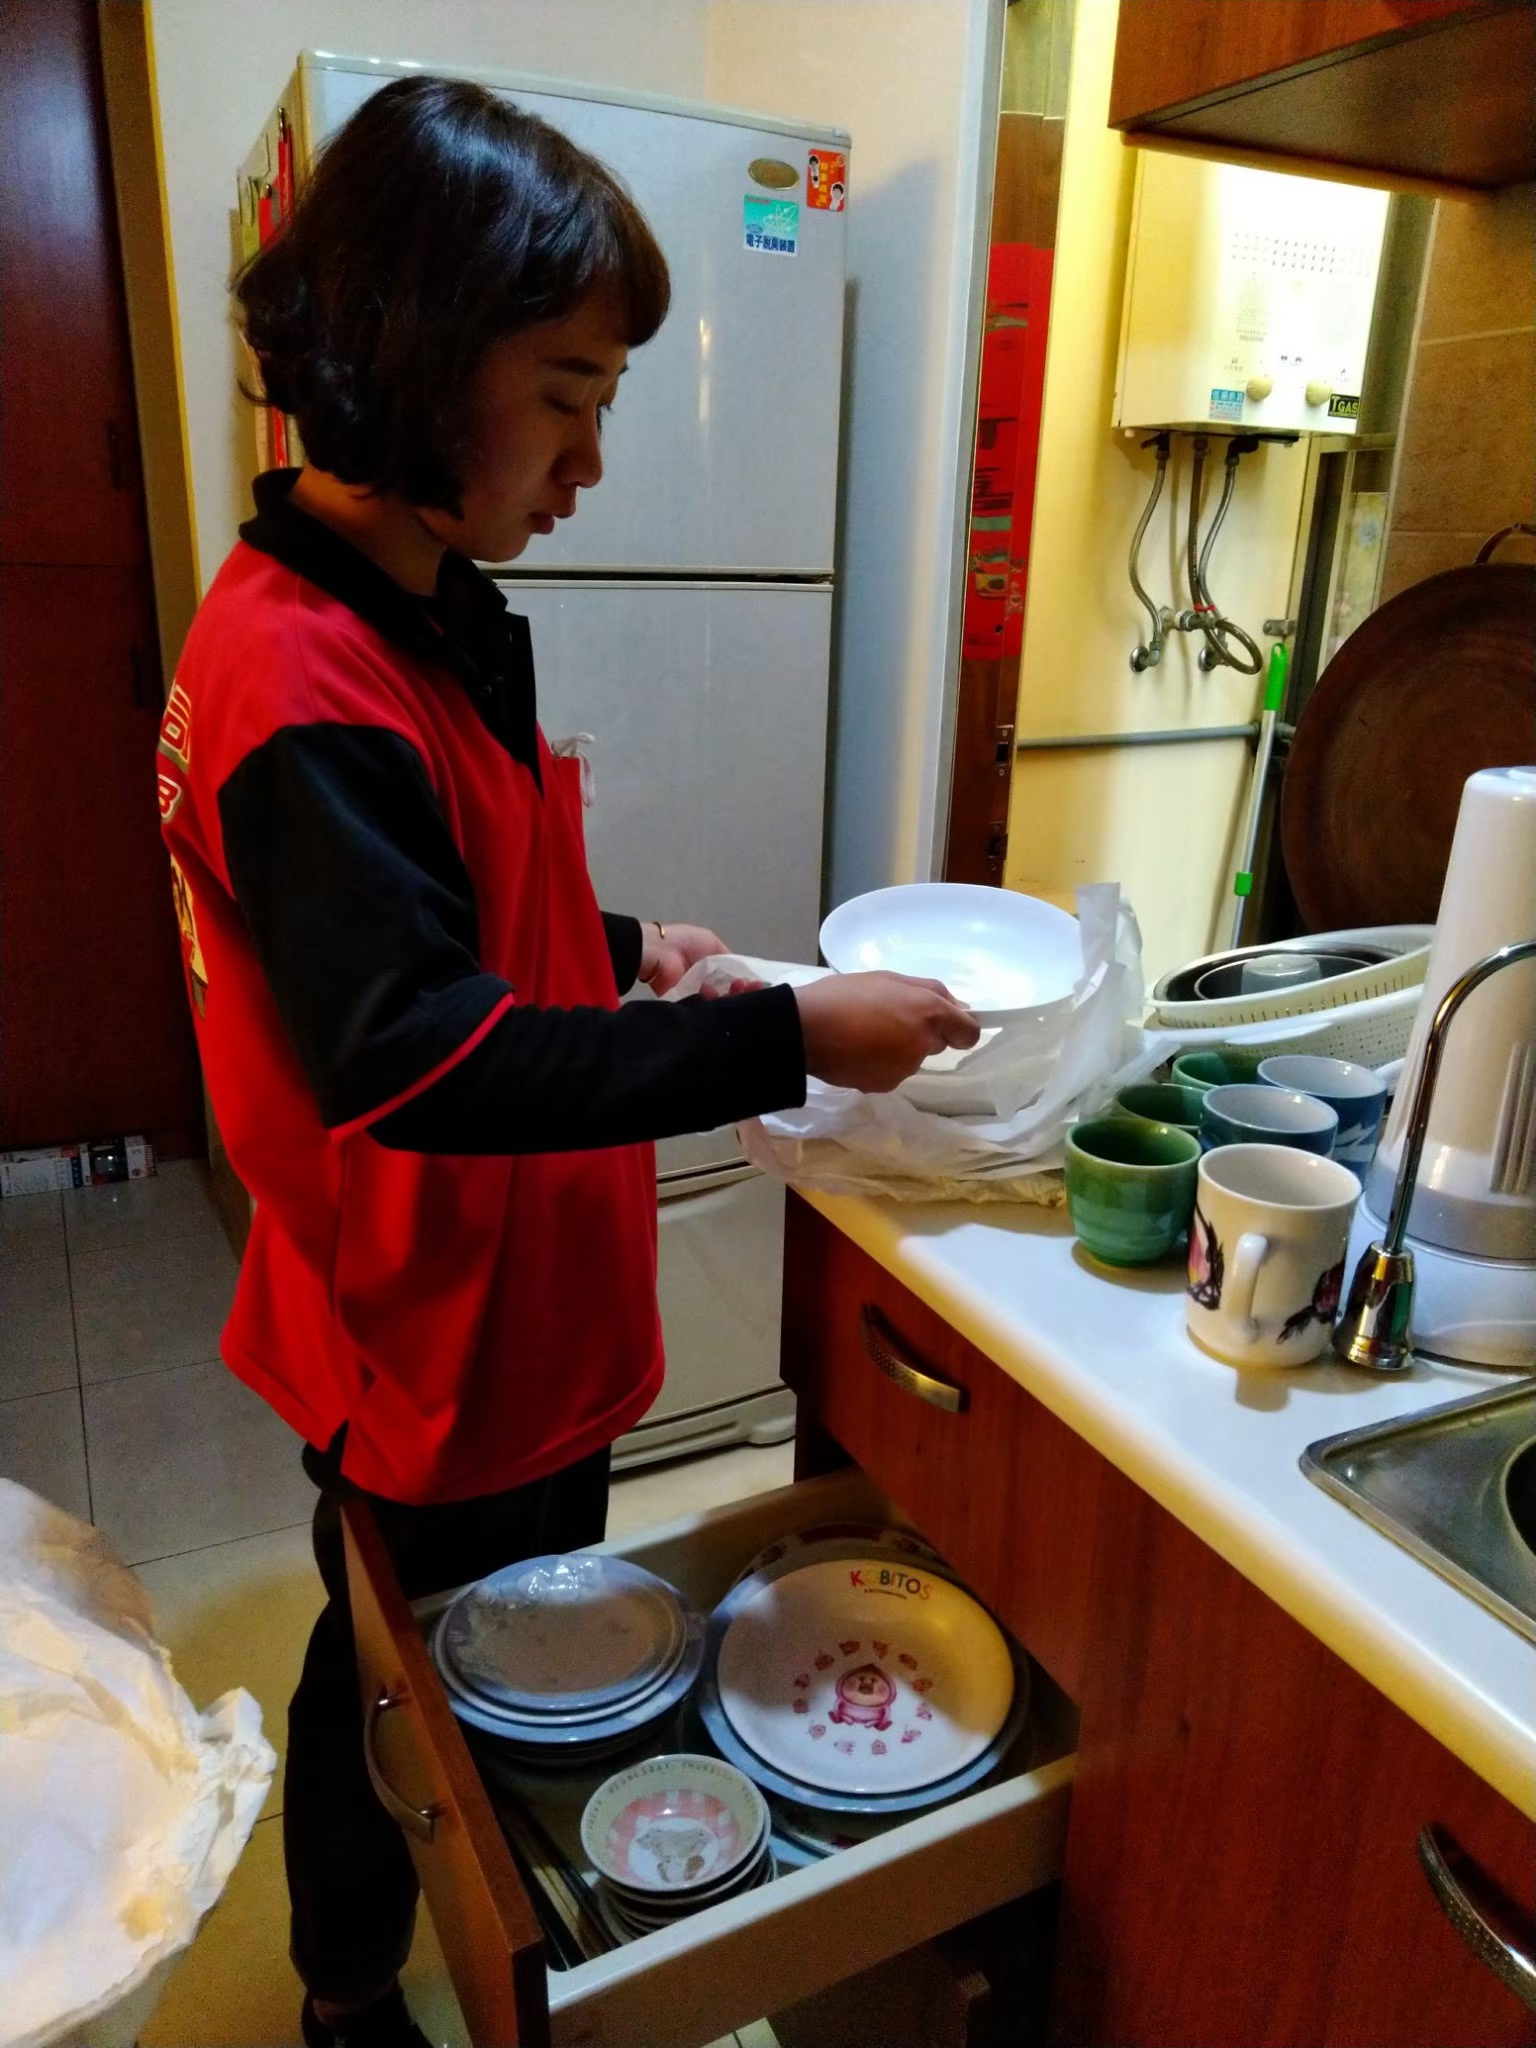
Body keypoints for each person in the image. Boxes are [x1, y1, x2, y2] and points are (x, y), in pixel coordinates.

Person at [159, 76, 977, 2047]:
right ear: (414, 359)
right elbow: (413, 1055)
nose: (595, 459)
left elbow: (434, 905)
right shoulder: (297, 677)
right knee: (400, 1682)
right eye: (568, 395)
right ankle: (349, 1988)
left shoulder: (422, 610)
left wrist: (626, 952)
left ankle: (489, 1904)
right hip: (429, 1332)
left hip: (521, 1309)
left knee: (518, 1643)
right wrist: (786, 1031)